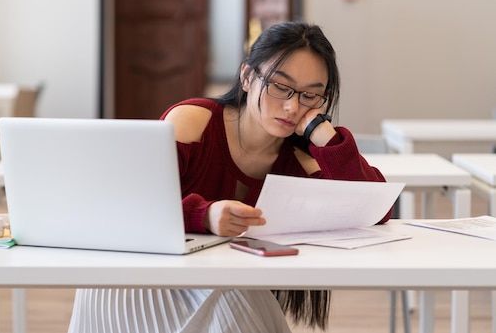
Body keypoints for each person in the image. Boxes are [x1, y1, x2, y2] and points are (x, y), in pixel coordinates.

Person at [67, 21, 391, 333]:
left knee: (237, 290)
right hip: (140, 280)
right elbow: (126, 205)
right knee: (238, 292)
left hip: (226, 291)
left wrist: (328, 139)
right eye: (280, 86)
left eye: (310, 95)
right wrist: (203, 215)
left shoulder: (302, 159)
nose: (293, 107)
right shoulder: (193, 123)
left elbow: (378, 211)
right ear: (248, 77)